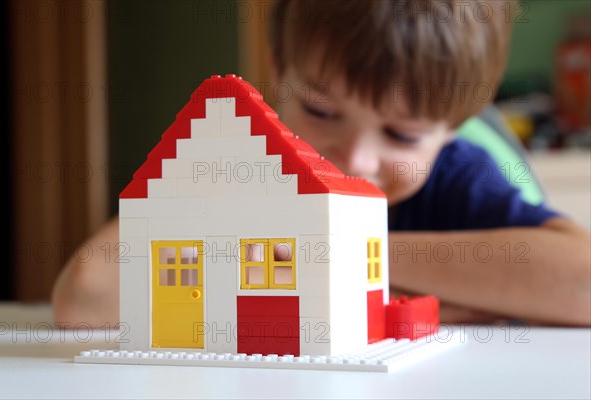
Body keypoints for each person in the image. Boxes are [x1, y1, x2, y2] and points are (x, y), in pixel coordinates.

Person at [52, 0, 590, 328]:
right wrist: (389, 298)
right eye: (321, 110)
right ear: (279, 69)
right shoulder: (232, 163)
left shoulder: (463, 176)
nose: (355, 156)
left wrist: (322, 255)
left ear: (456, 123)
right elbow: (87, 296)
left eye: (401, 135)